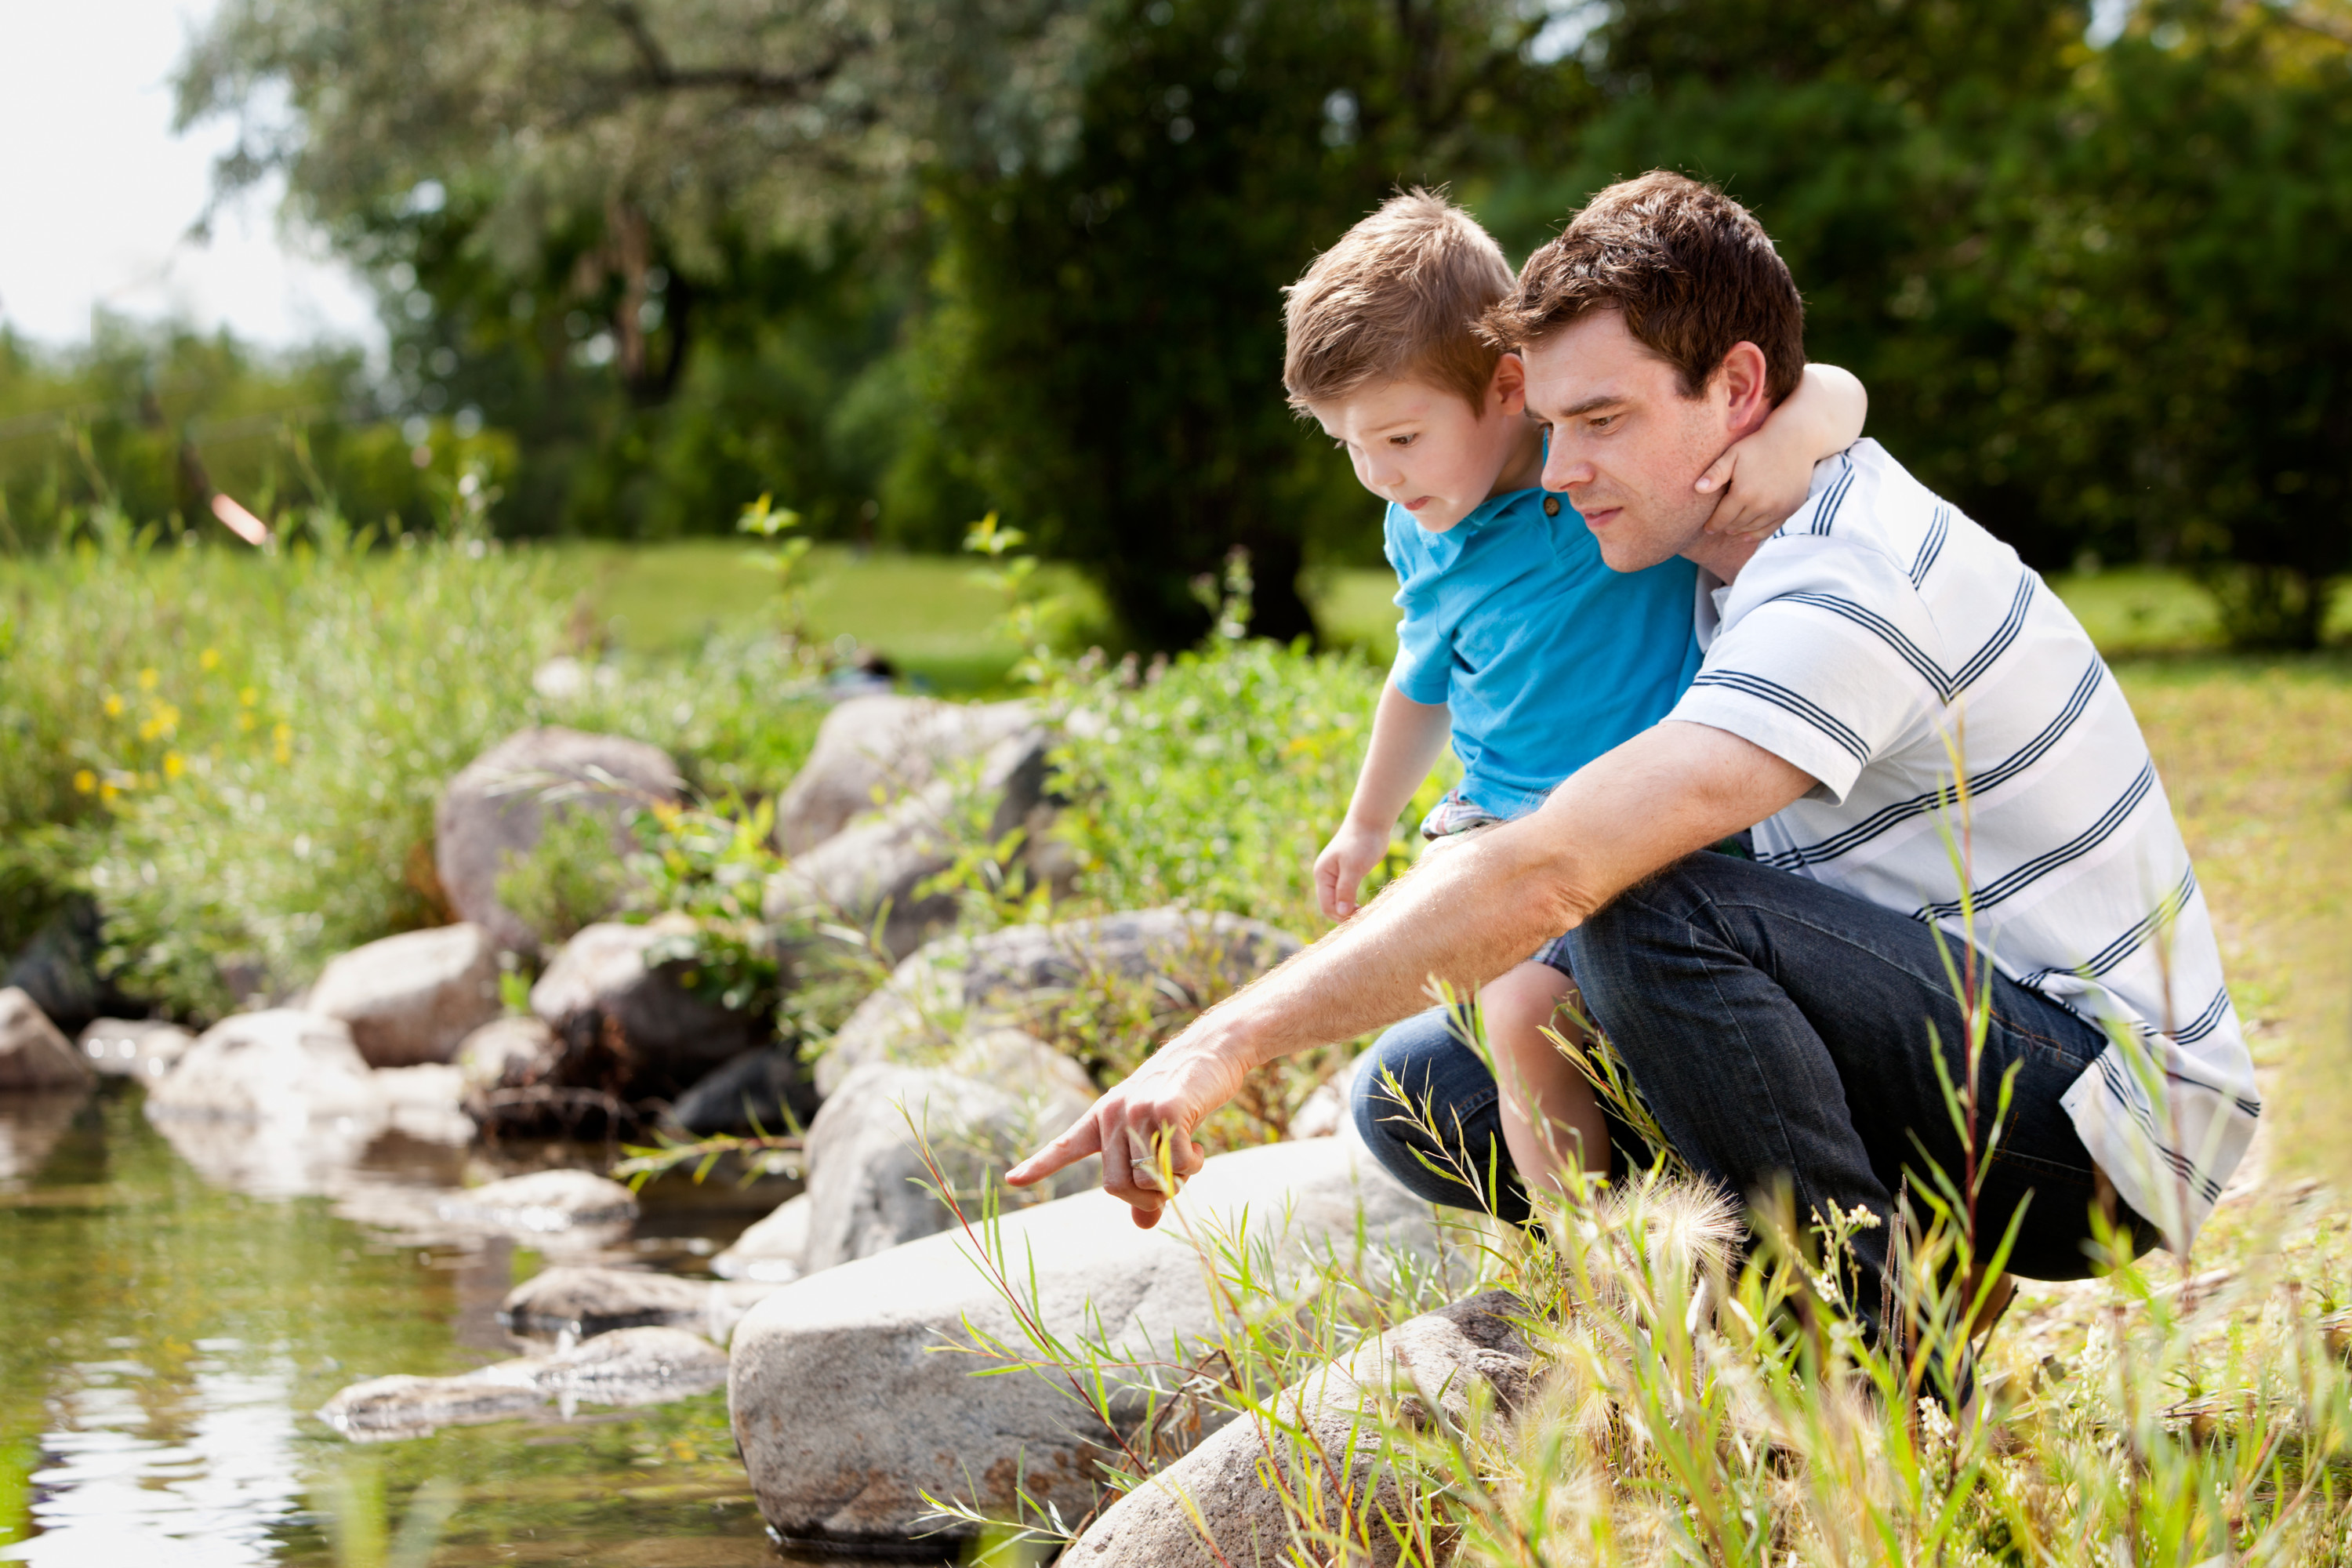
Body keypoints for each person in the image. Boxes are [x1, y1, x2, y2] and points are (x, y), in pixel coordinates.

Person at [1008, 172, 2259, 1338]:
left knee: (1634, 903)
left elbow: (1552, 868)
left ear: (1736, 391)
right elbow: (1823, 396)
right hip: (1924, 1026)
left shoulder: (1844, 584)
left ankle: (1867, 1382)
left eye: (1602, 419)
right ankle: (1711, 1301)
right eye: (1554, 424)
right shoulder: (1717, 524)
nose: (1561, 472)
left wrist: (1225, 1040)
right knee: (1423, 1091)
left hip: (2100, 1124)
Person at [1284, 189, 1867, 1200]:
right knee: (1492, 1015)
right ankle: (1606, 1246)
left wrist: (1781, 442)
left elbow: (1838, 389)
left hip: (1655, 827)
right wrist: (1366, 822)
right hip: (1499, 820)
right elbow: (1418, 682)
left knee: (1571, 1012)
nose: (1376, 474)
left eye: (1402, 439)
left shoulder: (1614, 468)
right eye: (1350, 446)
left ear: (1509, 386)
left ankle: (1630, 1255)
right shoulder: (1425, 530)